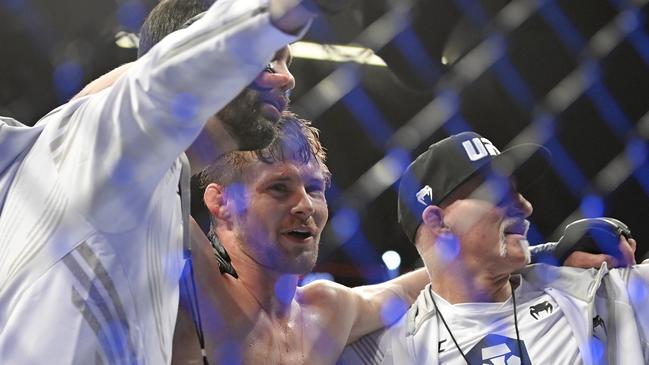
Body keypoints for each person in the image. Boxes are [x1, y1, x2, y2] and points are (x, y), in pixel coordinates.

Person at [0, 0, 348, 363]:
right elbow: (155, 82)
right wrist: (280, 9)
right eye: (267, 60)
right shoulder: (107, 148)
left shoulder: (154, 183)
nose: (286, 78)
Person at [339, 131, 647, 364]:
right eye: (499, 192)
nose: (525, 206)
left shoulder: (592, 292)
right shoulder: (390, 348)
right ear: (438, 222)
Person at [170, 111, 430, 364]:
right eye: (279, 188)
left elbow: (404, 290)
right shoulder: (192, 286)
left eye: (314, 189)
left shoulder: (326, 313)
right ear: (221, 200)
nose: (305, 205)